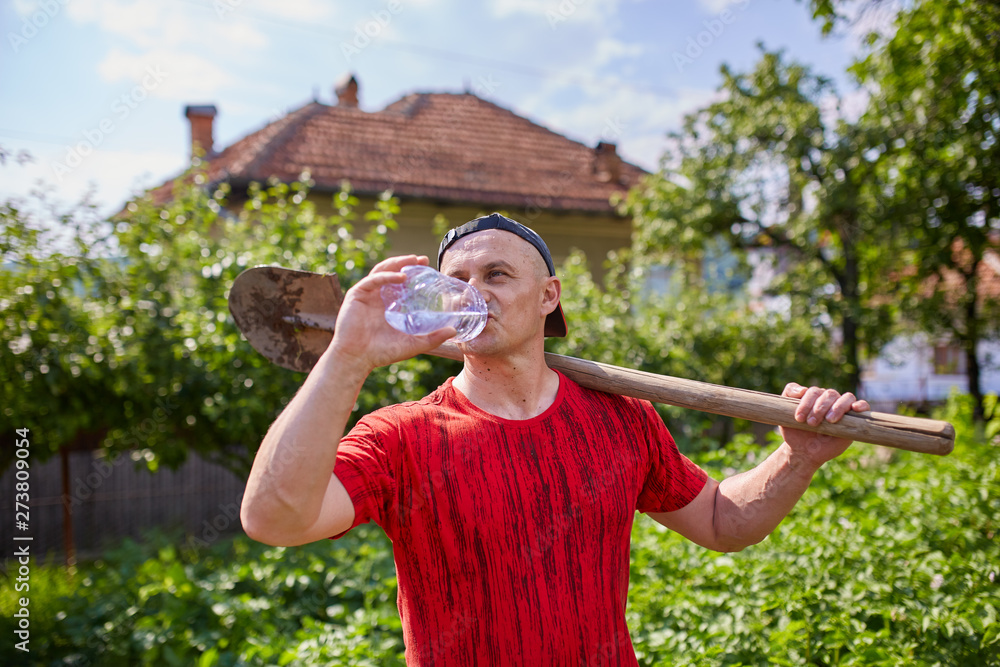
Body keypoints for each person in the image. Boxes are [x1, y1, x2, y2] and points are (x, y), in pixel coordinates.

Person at [240, 212, 870, 665]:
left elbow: (721, 522)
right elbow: (274, 518)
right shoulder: (403, 436)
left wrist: (798, 455)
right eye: (455, 280)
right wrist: (348, 357)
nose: (472, 292)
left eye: (496, 274)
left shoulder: (621, 418)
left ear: (549, 297)